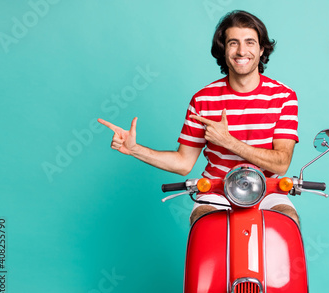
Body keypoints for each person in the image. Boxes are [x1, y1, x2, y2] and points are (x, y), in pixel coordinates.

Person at [98, 10, 300, 224]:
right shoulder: (203, 100)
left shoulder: (284, 96)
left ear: (261, 49)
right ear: (223, 50)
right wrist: (135, 150)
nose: (242, 51)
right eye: (233, 43)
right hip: (216, 191)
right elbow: (184, 163)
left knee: (287, 222)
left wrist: (228, 142)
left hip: (268, 189)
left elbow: (281, 163)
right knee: (203, 227)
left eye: (250, 42)